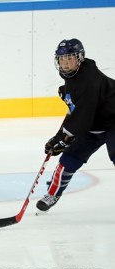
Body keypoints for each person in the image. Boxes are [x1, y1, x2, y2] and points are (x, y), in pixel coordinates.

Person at [36, 39, 115, 212]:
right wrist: (59, 138)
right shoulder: (73, 77)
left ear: (80, 58)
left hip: (112, 122)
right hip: (93, 125)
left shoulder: (89, 81)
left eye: (70, 58)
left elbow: (82, 118)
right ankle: (52, 194)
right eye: (62, 59)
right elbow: (75, 113)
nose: (65, 63)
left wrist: (64, 140)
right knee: (68, 160)